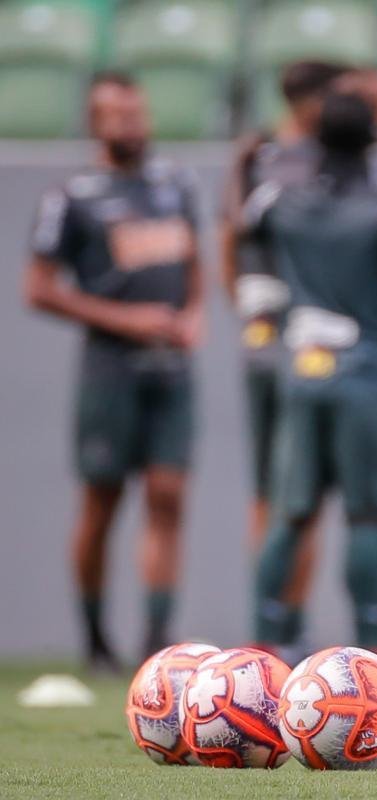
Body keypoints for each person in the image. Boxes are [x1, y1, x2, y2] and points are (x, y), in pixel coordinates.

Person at [244, 92, 377, 659]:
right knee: (369, 513)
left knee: (292, 510)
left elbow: (244, 230)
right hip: (365, 374)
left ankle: (265, 640)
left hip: (301, 369)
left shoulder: (279, 199)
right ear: (373, 141)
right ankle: (372, 645)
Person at [24, 72, 204, 668]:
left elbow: (195, 263)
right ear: (95, 122)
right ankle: (95, 637)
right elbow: (40, 288)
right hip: (110, 369)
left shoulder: (175, 184)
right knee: (102, 500)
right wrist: (124, 319)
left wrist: (195, 315)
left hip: (171, 368)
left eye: (139, 113)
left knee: (168, 492)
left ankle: (156, 636)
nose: (133, 125)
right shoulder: (72, 194)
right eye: (118, 115)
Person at [219, 60, 346, 653]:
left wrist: (247, 317)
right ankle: (285, 630)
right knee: (303, 495)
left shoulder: (253, 158)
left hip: (263, 342)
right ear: (314, 103)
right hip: (309, 348)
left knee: (269, 494)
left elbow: (228, 236)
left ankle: (267, 633)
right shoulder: (321, 163)